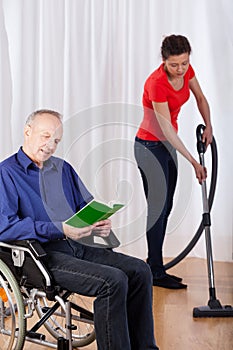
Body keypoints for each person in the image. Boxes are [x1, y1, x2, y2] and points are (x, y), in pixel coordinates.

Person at [0, 109, 159, 350]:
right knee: (112, 281)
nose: (50, 146)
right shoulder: (6, 173)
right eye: (45, 136)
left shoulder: (63, 169)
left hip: (78, 245)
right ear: (27, 131)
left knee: (140, 270)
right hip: (42, 256)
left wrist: (99, 222)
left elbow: (86, 206)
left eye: (56, 141)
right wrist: (59, 229)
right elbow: (6, 227)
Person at [134, 34, 213, 290]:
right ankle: (155, 271)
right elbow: (166, 129)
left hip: (167, 147)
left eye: (184, 63)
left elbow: (200, 98)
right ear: (164, 60)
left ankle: (153, 265)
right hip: (149, 146)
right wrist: (193, 161)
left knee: (165, 207)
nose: (180, 69)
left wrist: (209, 125)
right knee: (158, 210)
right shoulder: (156, 82)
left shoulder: (187, 71)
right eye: (174, 65)